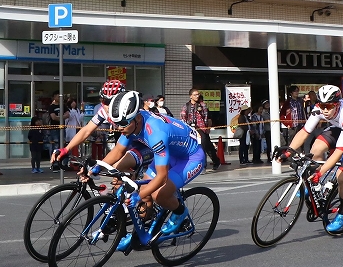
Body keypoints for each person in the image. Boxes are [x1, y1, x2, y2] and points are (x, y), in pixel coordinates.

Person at [95, 91, 206, 253]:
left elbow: (161, 177)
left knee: (157, 194)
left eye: (123, 124)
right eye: (117, 123)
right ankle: (141, 234)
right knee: (145, 192)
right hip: (171, 153)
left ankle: (180, 212)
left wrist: (136, 196)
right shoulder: (131, 123)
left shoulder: (155, 133)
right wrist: (99, 166)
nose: (120, 128)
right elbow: (118, 151)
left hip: (191, 158)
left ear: (137, 118)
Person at [276, 85, 343, 233]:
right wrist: (288, 152)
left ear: (337, 104)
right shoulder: (318, 109)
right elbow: (305, 132)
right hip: (340, 128)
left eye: (329, 106)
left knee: (342, 176)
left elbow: (338, 152)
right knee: (315, 149)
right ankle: (317, 187)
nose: (325, 110)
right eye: (322, 106)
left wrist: (320, 172)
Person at [51, 80, 125, 163]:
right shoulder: (103, 111)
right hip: (126, 139)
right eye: (105, 101)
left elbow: (121, 150)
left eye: (112, 102)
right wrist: (66, 149)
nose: (108, 106)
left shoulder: (130, 112)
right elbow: (86, 130)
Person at [180, 88, 219, 170]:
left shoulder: (202, 105)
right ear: (190, 96)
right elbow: (183, 118)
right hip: (191, 130)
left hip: (202, 129)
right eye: (195, 95)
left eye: (198, 94)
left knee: (205, 146)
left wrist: (208, 127)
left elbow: (207, 117)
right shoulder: (186, 106)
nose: (197, 96)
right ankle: (210, 163)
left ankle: (206, 165)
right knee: (202, 146)